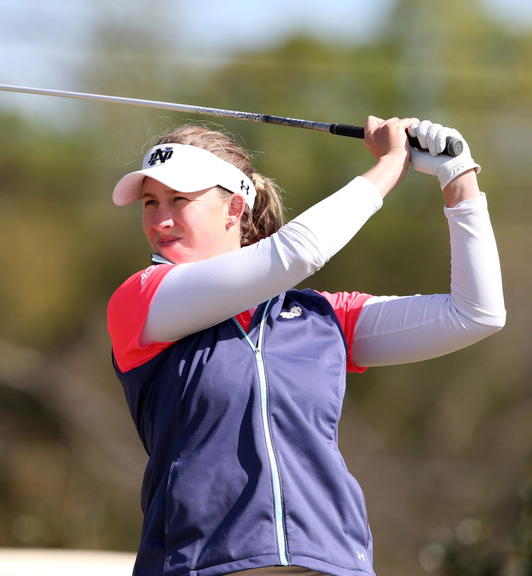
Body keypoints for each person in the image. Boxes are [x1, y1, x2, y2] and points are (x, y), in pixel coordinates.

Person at [106, 117, 506, 576]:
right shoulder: (141, 301)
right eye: (150, 202)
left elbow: (476, 314)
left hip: (331, 565)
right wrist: (389, 167)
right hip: (201, 566)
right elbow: (296, 254)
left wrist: (458, 175)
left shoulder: (322, 317)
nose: (161, 220)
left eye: (179, 199)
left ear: (234, 208)